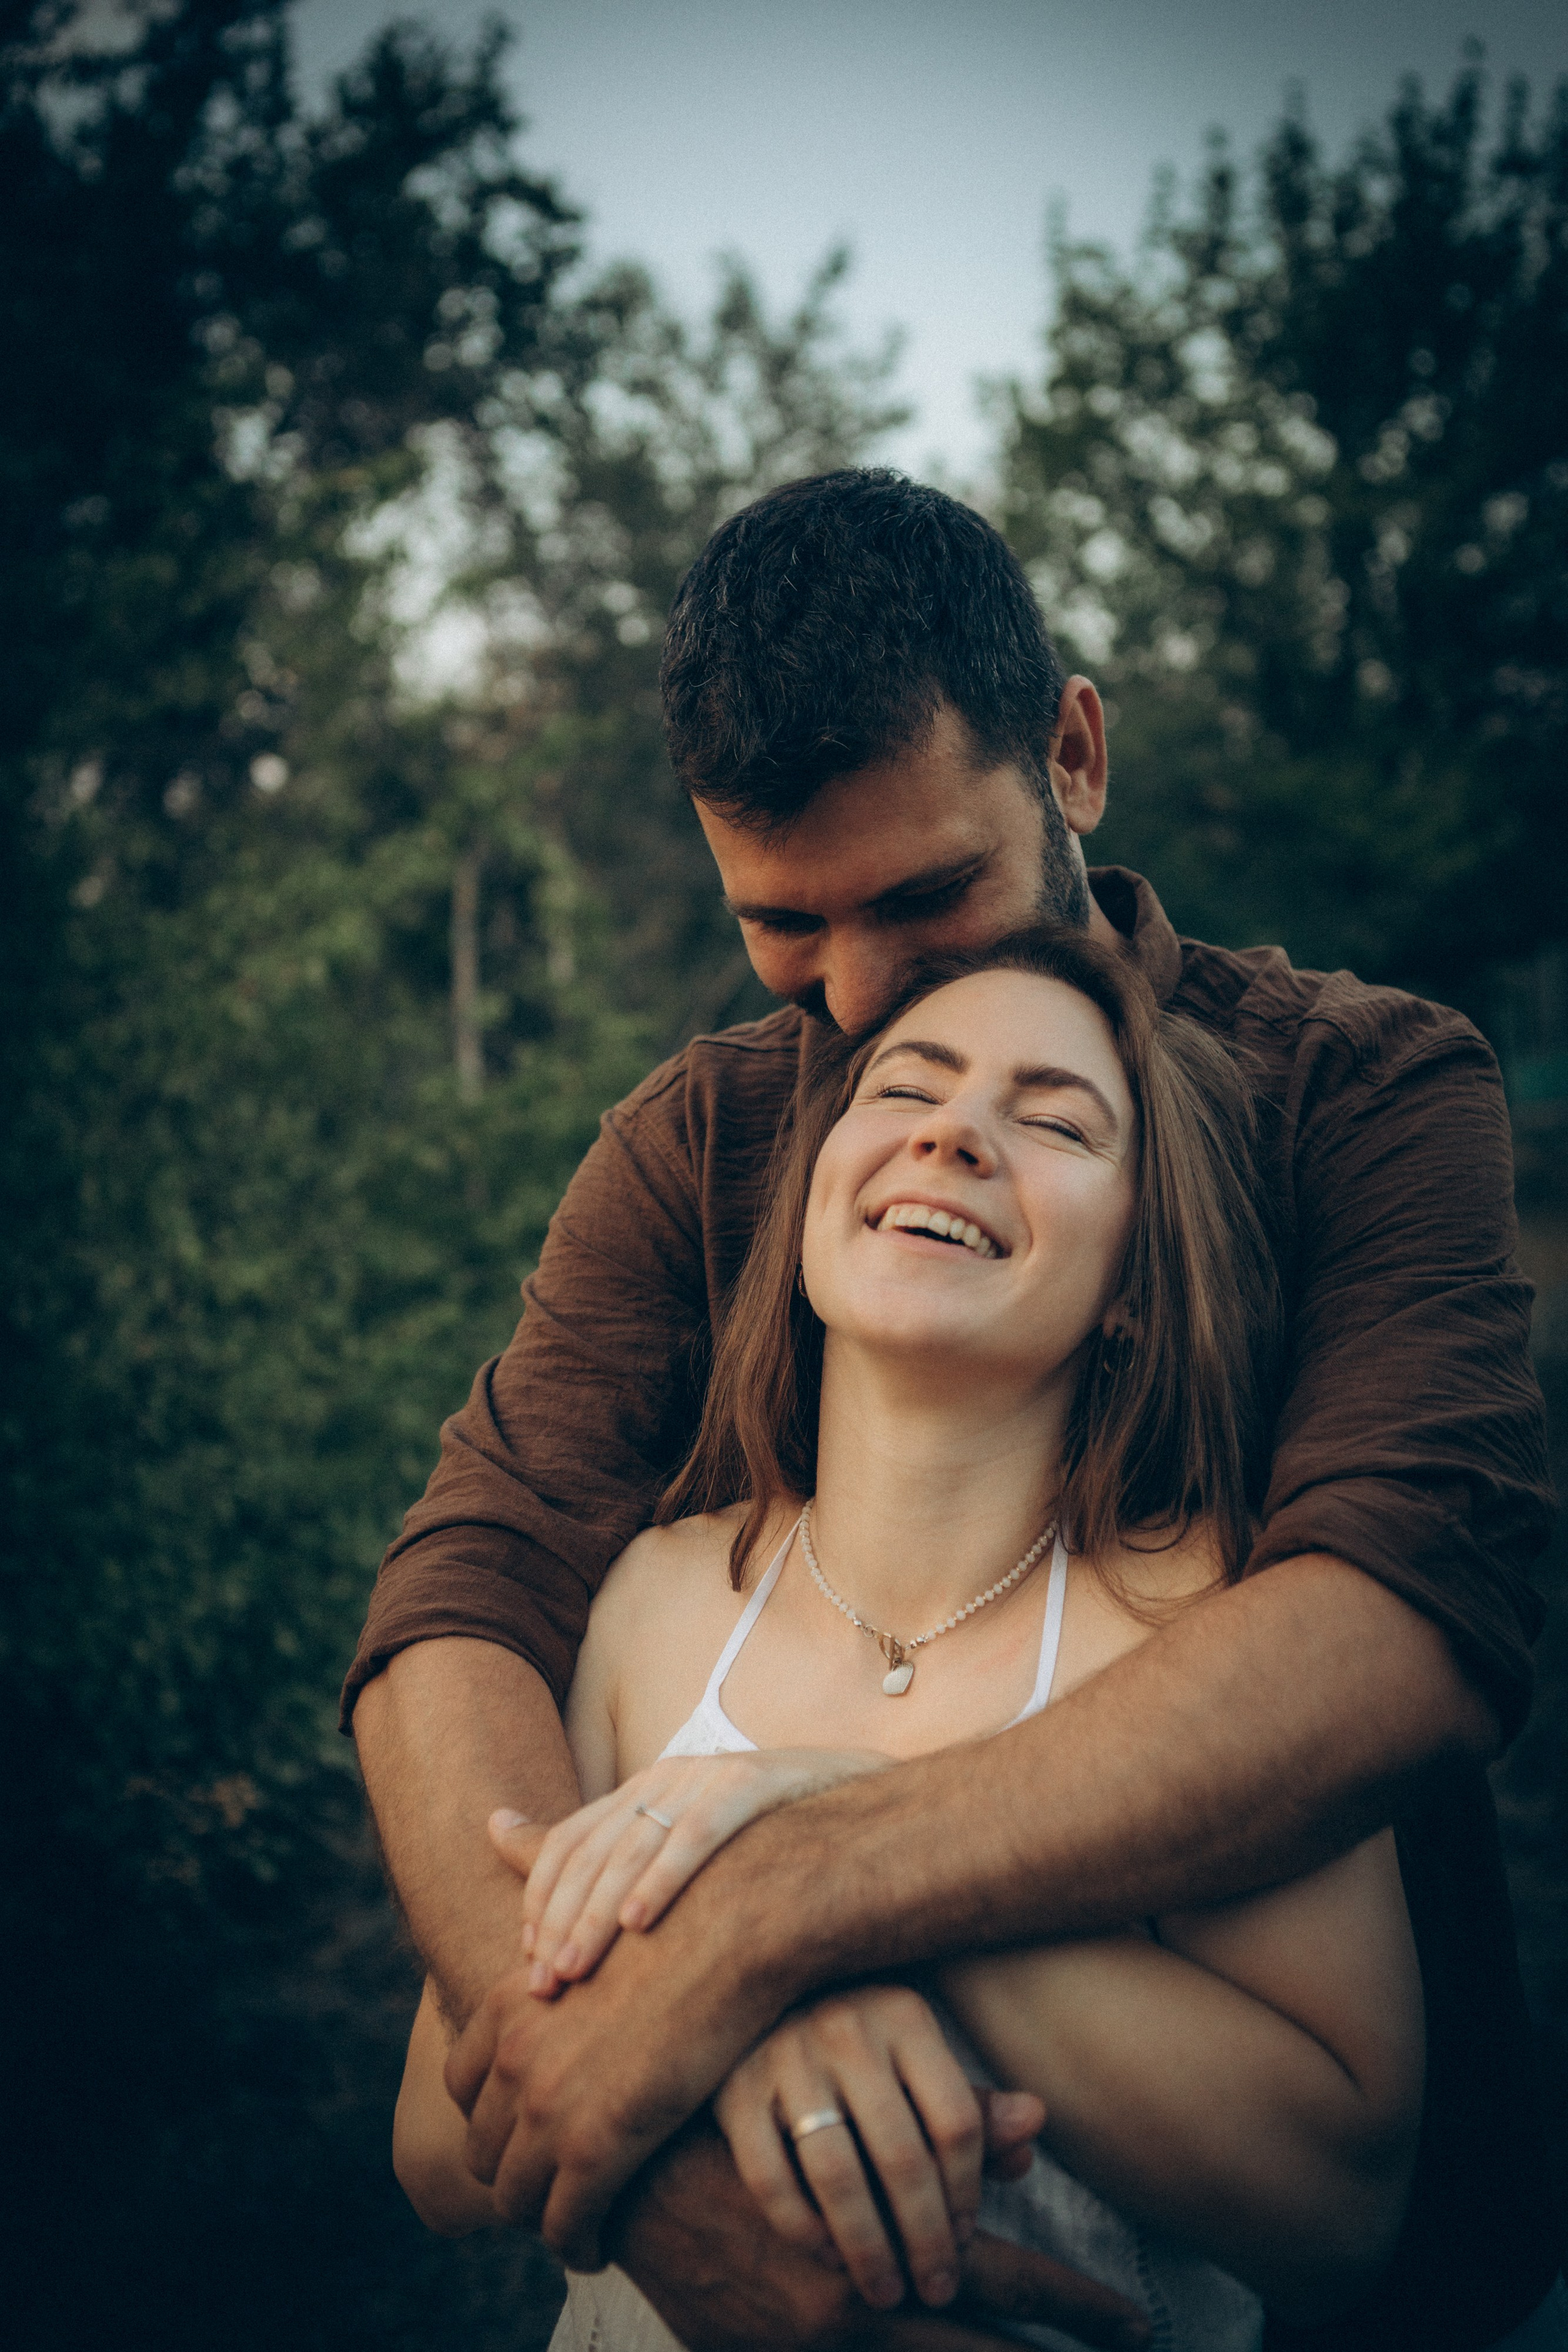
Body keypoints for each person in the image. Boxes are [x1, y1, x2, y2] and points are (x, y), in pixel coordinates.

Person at [347, 472, 1562, 2350]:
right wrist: (660, 2173)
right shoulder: (701, 1148)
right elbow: (466, 1595)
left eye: (924, 894)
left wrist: (779, 1897)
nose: (858, 998)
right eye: (783, 924)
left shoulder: (1363, 1091)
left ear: (1071, 754)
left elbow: (1406, 1612)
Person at [393, 929, 1433, 2352]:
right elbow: (438, 2150)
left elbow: (1336, 2212)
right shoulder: (651, 1605)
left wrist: (817, 1866)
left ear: (1135, 1274)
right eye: (903, 1089)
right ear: (814, 1193)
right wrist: (750, 2005)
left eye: (1055, 1118)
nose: (951, 1135)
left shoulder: (1212, 1624)